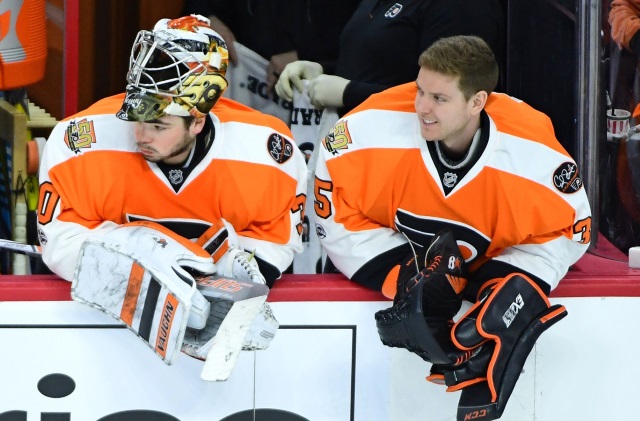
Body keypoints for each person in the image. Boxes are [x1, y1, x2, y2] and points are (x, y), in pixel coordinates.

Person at [313, 35, 591, 420]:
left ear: (477, 101)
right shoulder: (365, 131)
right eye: (420, 90)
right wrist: (405, 276)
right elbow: (332, 214)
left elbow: (570, 231)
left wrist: (504, 288)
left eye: (439, 99)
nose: (422, 107)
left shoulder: (533, 155)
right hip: (367, 329)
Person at [36, 15, 307, 365]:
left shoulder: (268, 150)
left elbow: (278, 236)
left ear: (197, 120)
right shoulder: (81, 141)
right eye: (135, 118)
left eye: (157, 125)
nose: (139, 135)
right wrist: (134, 273)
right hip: (100, 335)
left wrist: (237, 276)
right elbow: (59, 236)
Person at [275, 0, 506, 117]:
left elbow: (447, 100)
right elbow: (375, 65)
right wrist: (323, 71)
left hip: (409, 161)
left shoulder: (460, 6)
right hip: (357, 147)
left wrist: (349, 92)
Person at [182, 0, 359, 92]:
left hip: (322, 86)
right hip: (243, 80)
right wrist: (209, 19)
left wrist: (306, 55)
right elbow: (197, 6)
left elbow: (365, 35)